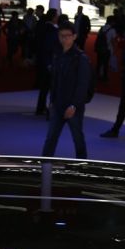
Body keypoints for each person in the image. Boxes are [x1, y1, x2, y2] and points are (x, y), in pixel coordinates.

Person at [41, 21, 92, 159]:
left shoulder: (81, 58)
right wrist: (52, 101)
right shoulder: (57, 55)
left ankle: (81, 166)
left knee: (78, 139)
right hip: (57, 105)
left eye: (67, 36)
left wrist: (74, 105)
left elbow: (82, 85)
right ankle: (45, 165)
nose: (64, 39)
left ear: (74, 36)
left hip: (73, 107)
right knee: (51, 138)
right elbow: (55, 81)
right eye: (61, 36)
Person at [34, 9, 60, 116]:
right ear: (53, 17)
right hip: (50, 61)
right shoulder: (52, 30)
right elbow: (49, 47)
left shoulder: (44, 27)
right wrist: (49, 63)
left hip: (44, 60)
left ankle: (41, 108)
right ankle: (49, 109)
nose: (57, 17)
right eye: (56, 16)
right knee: (52, 86)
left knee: (45, 86)